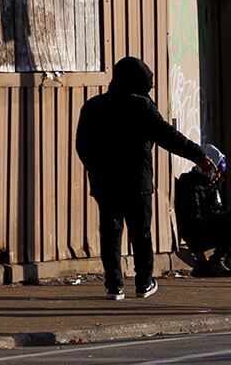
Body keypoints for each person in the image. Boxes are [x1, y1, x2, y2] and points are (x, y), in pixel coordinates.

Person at [74, 56, 217, 301]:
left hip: (104, 181)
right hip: (136, 182)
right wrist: (199, 155)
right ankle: (144, 282)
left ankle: (114, 286)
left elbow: (82, 145)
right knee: (141, 233)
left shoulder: (93, 106)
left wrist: (95, 168)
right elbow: (169, 137)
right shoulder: (141, 106)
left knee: (111, 233)